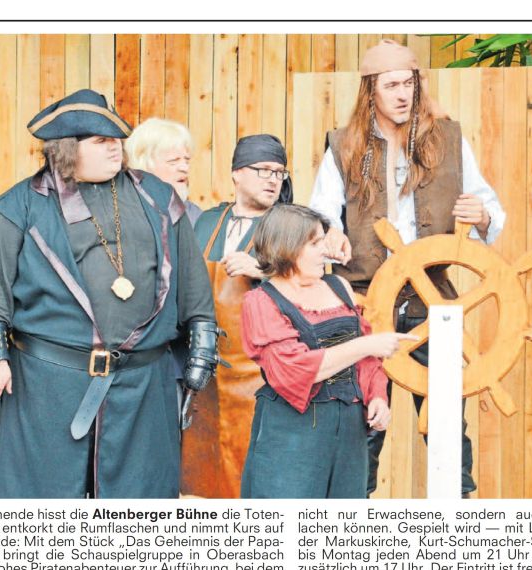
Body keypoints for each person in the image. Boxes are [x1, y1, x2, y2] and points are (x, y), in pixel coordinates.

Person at [0, 89, 221, 498]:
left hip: (142, 387)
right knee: (40, 514)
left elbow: (192, 279)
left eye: (117, 139)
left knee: (139, 513)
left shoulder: (157, 197)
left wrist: (203, 344)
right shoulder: (19, 206)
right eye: (101, 141)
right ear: (67, 148)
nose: (115, 148)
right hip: (48, 385)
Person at [308, 39, 507, 498]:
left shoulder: (449, 141)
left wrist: (481, 216)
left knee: (446, 427)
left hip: (431, 305)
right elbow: (320, 214)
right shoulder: (343, 147)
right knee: (362, 423)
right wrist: (330, 233)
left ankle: (454, 517)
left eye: (408, 84)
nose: (402, 94)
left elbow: (490, 210)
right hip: (364, 307)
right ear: (370, 92)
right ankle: (352, 519)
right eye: (391, 85)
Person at [239, 204, 415, 498]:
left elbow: (368, 362)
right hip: (292, 433)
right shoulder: (261, 301)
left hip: (349, 432)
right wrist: (364, 345)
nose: (325, 250)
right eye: (315, 243)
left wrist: (377, 397)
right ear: (288, 246)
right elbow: (293, 370)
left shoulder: (339, 286)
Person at [181, 135, 292, 498]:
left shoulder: (290, 225)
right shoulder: (207, 221)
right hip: (203, 372)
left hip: (257, 374)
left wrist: (264, 271)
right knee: (199, 471)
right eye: (263, 170)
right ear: (237, 173)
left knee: (251, 475)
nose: (272, 179)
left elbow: (313, 288)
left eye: (278, 172)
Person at [125, 117, 203, 225]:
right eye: (173, 161)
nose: (185, 168)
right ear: (144, 165)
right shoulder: (122, 211)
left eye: (187, 160)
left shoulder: (194, 215)